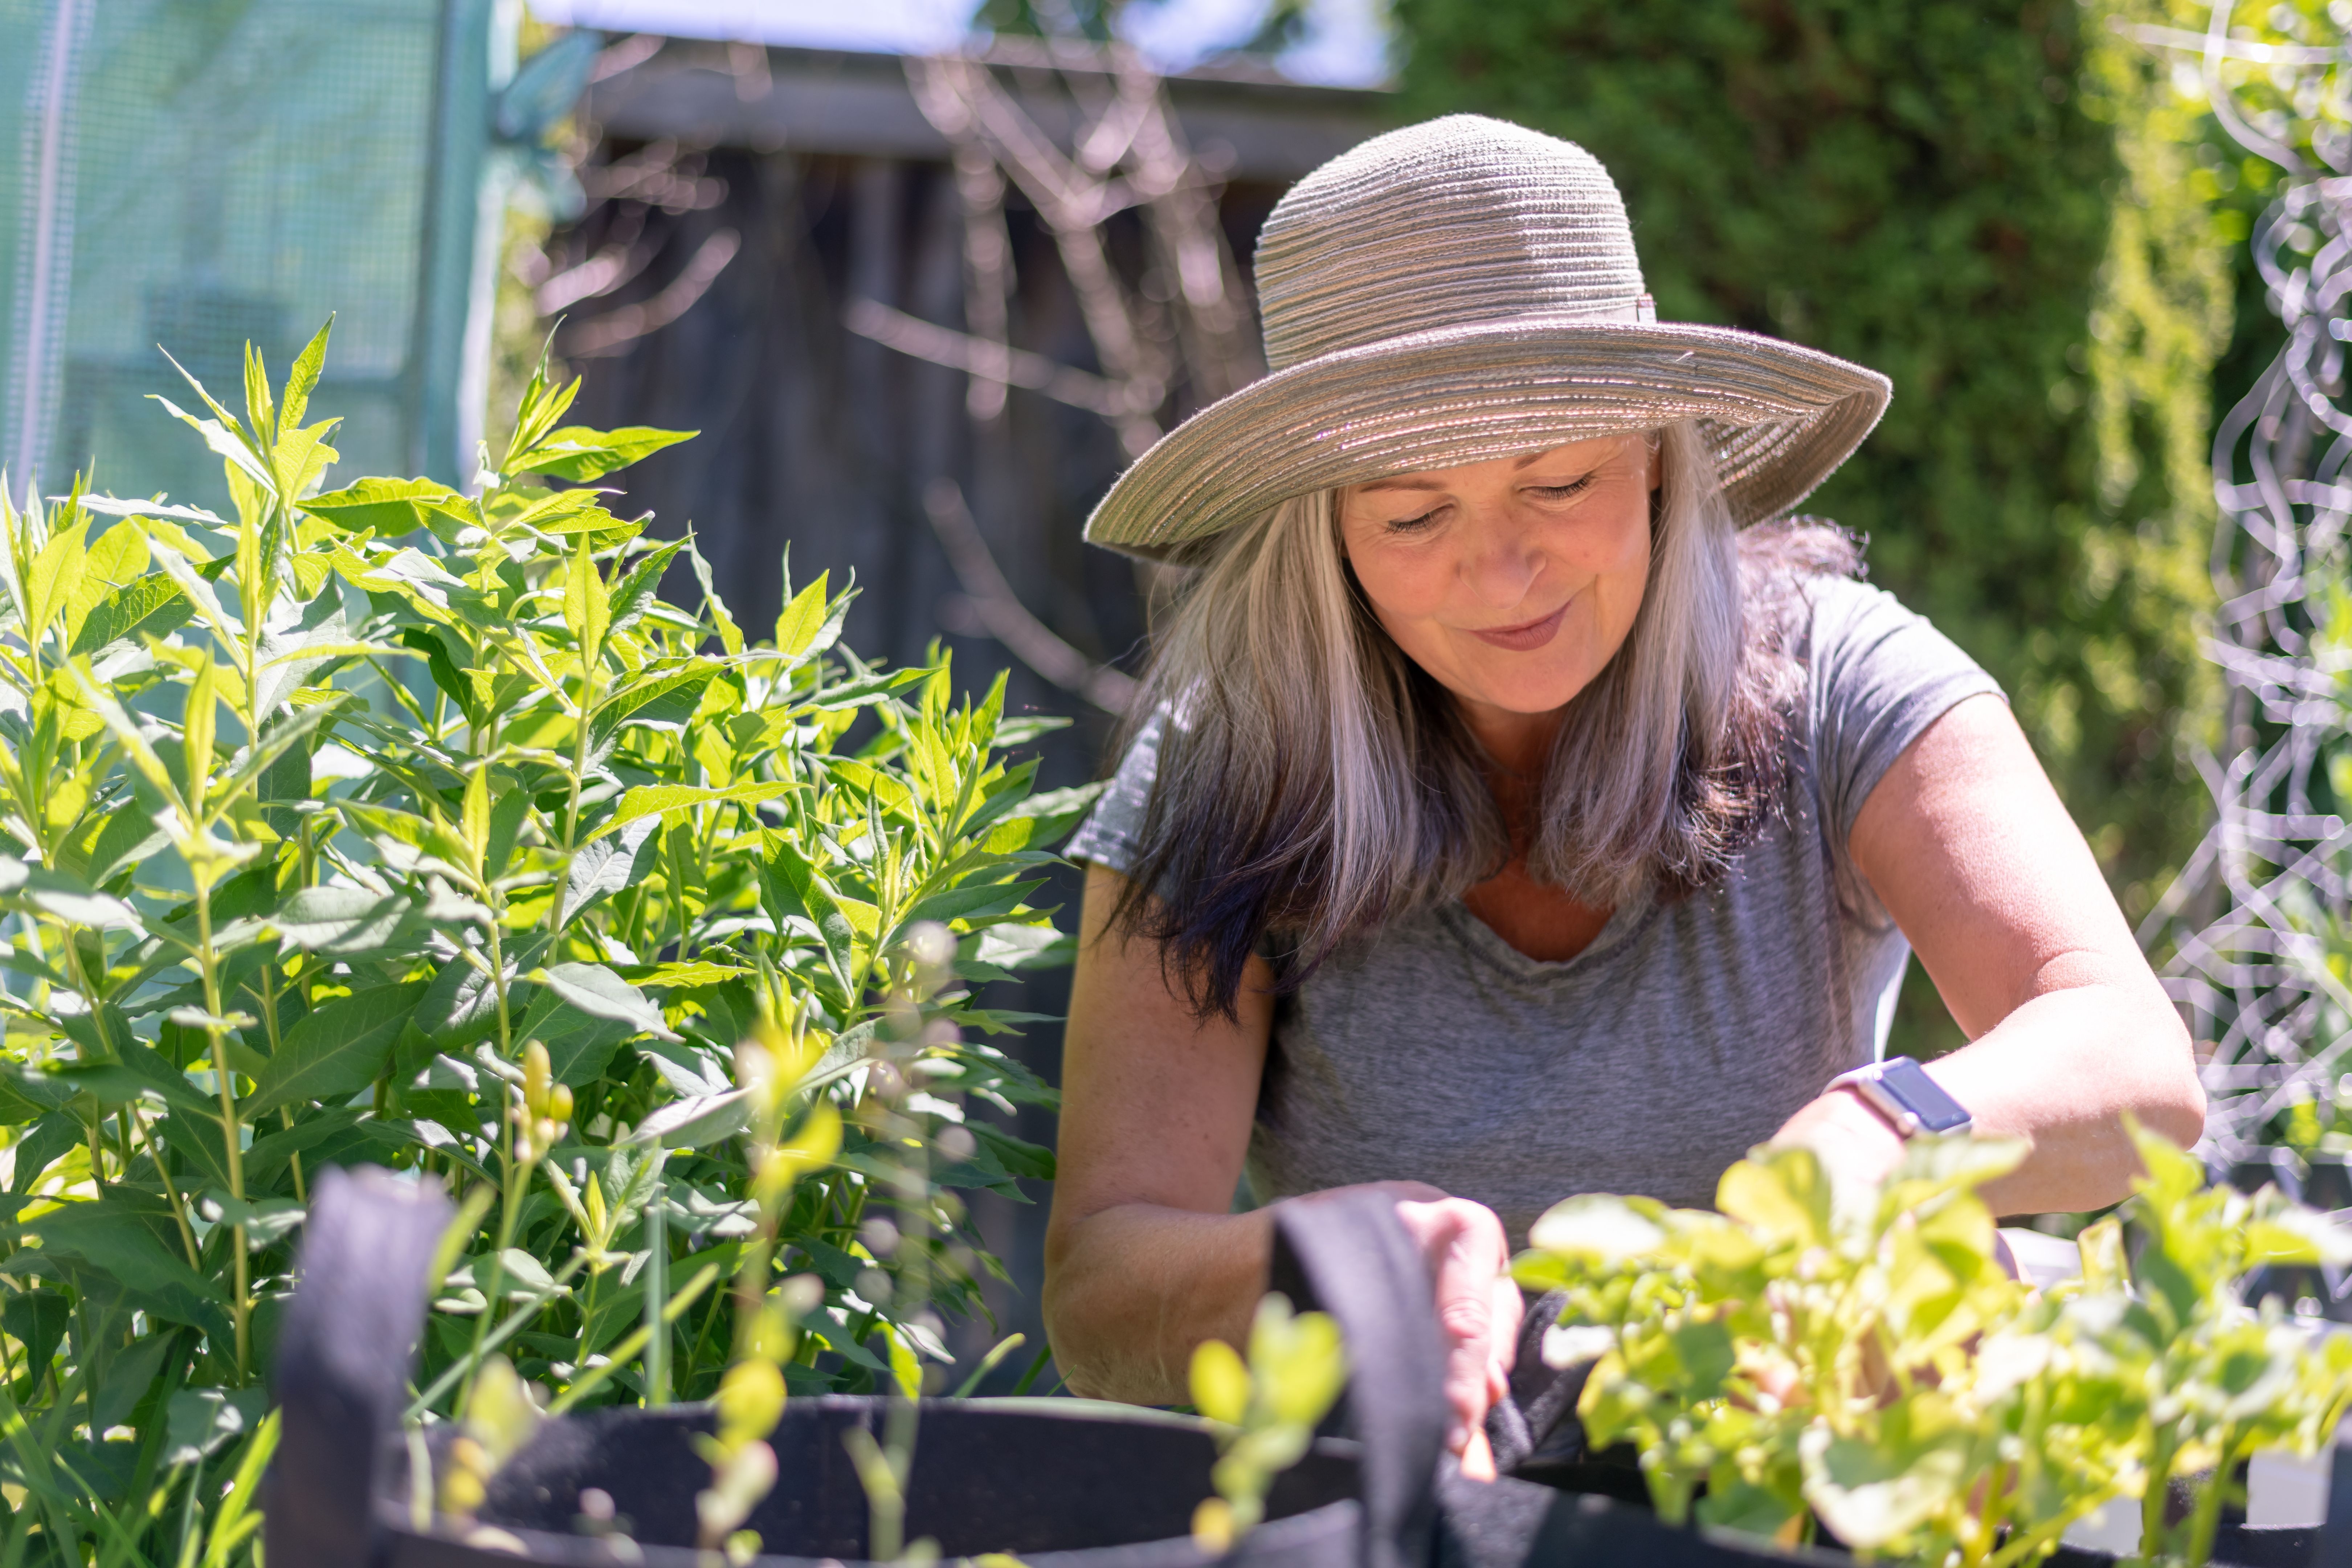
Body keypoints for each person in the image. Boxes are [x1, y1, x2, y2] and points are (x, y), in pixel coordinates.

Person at [1040, 115, 2204, 1478]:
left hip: (1797, 1482)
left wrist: (1888, 1135)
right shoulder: (1224, 760)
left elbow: (2133, 1064)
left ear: (1660, 453)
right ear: (1328, 533)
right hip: (1422, 1509)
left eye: (1559, 481)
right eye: (1415, 516)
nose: (1505, 572)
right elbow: (1099, 1291)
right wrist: (1311, 1268)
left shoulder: (1841, 674)